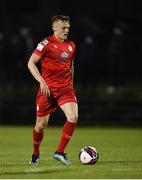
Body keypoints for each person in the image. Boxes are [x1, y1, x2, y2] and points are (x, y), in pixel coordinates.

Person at [27, 15, 78, 165]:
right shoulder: (46, 43)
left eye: (68, 27)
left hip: (65, 89)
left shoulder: (71, 45)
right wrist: (41, 81)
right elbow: (31, 63)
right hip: (47, 90)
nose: (66, 30)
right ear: (54, 28)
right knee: (40, 126)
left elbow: (71, 66)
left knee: (73, 117)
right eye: (63, 27)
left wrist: (71, 85)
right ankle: (35, 154)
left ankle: (59, 152)